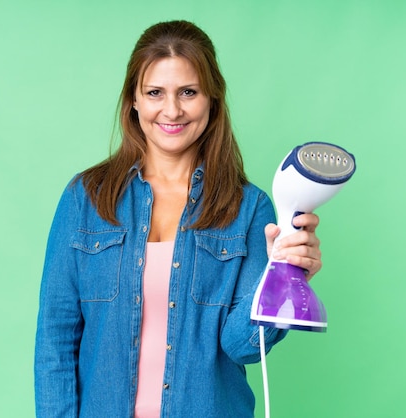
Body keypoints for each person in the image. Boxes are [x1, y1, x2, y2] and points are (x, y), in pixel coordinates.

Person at [34, 20, 322, 418]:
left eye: (188, 92)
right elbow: (55, 342)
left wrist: (283, 274)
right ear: (133, 100)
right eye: (155, 92)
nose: (172, 110)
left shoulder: (249, 208)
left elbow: (242, 347)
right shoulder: (86, 197)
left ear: (212, 99)